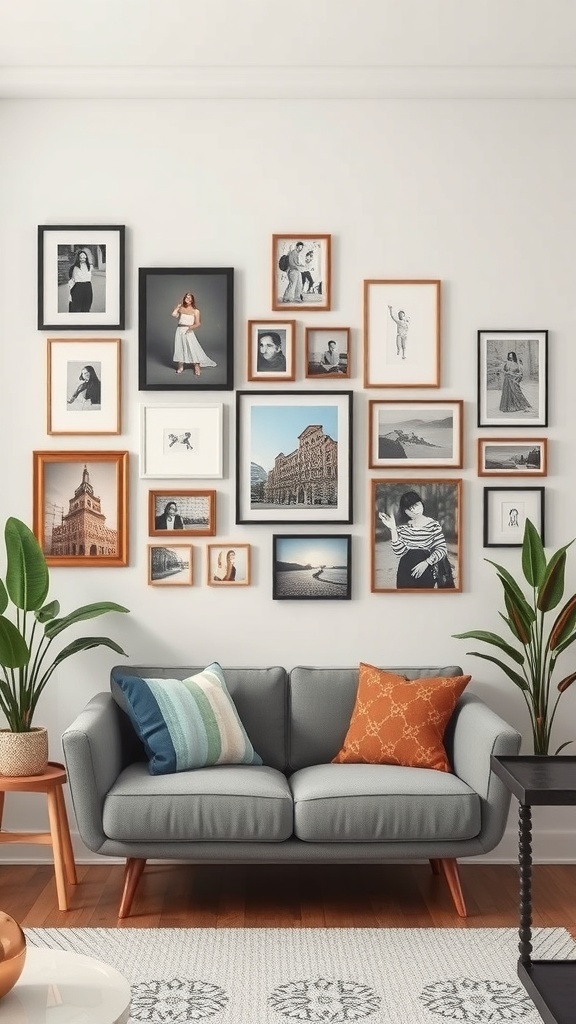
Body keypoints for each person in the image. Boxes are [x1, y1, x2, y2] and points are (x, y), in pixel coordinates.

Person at [378, 490, 450, 589]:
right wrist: (393, 529)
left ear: (421, 503)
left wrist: (427, 563)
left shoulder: (433, 525)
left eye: (416, 505)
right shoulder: (403, 528)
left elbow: (442, 549)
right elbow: (399, 552)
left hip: (426, 570)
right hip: (405, 572)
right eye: (409, 508)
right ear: (404, 511)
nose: (414, 510)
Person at [171, 292, 217, 376]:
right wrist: (177, 308)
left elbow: (198, 323)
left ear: (192, 300)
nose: (188, 299)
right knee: (180, 347)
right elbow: (174, 315)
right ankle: (180, 366)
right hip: (179, 330)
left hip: (188, 330)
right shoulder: (181, 308)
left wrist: (190, 328)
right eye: (186, 297)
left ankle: (196, 366)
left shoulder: (196, 311)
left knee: (192, 348)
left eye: (190, 298)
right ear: (184, 299)